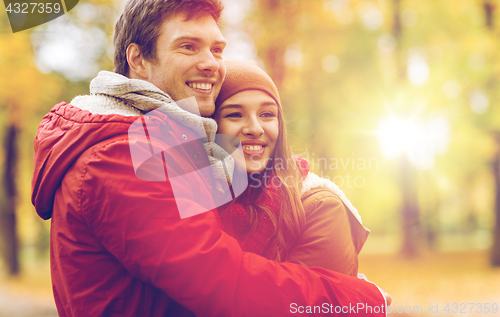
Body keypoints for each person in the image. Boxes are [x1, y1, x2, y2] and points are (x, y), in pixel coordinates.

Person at [31, 0, 388, 316]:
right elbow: (224, 284)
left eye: (217, 49)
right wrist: (355, 299)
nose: (211, 64)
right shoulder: (121, 155)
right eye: (188, 46)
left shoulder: (159, 138)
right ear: (137, 59)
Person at [214, 59, 368, 277]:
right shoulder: (196, 201)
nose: (255, 128)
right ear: (212, 126)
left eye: (267, 114)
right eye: (235, 114)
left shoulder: (320, 208)